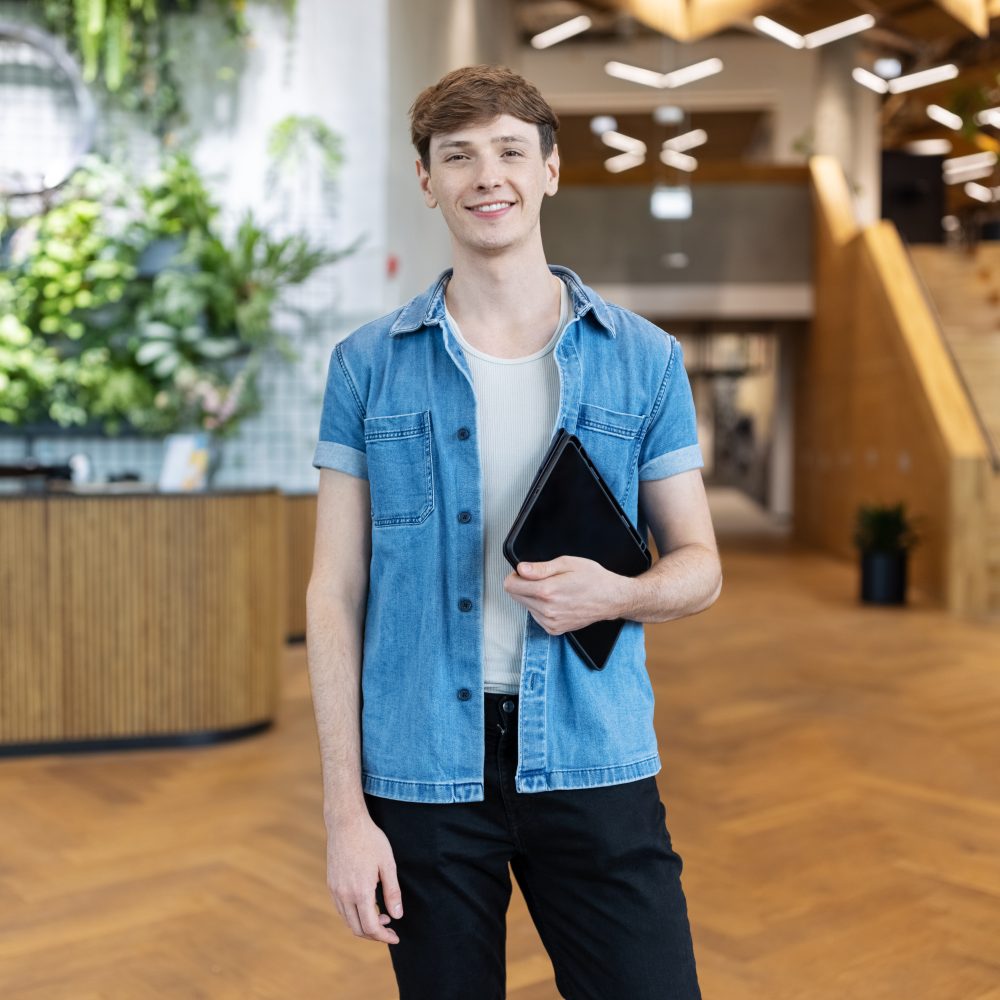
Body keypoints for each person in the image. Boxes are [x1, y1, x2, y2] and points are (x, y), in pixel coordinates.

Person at [306, 64, 721, 1000]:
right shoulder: (368, 366)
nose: (486, 175)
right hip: (420, 770)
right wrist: (344, 812)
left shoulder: (644, 360)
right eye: (458, 156)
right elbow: (333, 591)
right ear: (427, 181)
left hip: (593, 752)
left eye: (508, 151)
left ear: (550, 171)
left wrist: (619, 593)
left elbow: (701, 568)